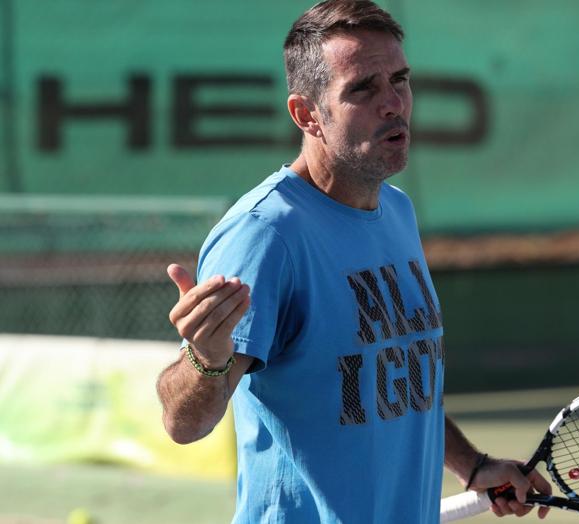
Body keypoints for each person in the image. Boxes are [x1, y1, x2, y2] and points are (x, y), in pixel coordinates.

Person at [156, 1, 551, 522]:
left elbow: (397, 381)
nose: (394, 103)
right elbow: (183, 423)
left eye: (401, 80)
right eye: (363, 88)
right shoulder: (264, 236)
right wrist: (206, 359)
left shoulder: (397, 211)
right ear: (306, 114)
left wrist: (471, 464)